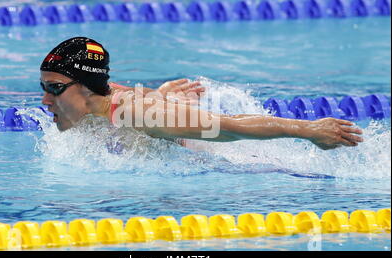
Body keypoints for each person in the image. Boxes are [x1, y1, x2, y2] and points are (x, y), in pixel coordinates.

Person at [40, 37, 363, 150]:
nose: (45, 100)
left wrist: (308, 130)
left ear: (84, 88)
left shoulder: (137, 113)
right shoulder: (102, 100)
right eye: (44, 88)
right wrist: (161, 95)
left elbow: (228, 126)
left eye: (54, 89)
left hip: (219, 155)